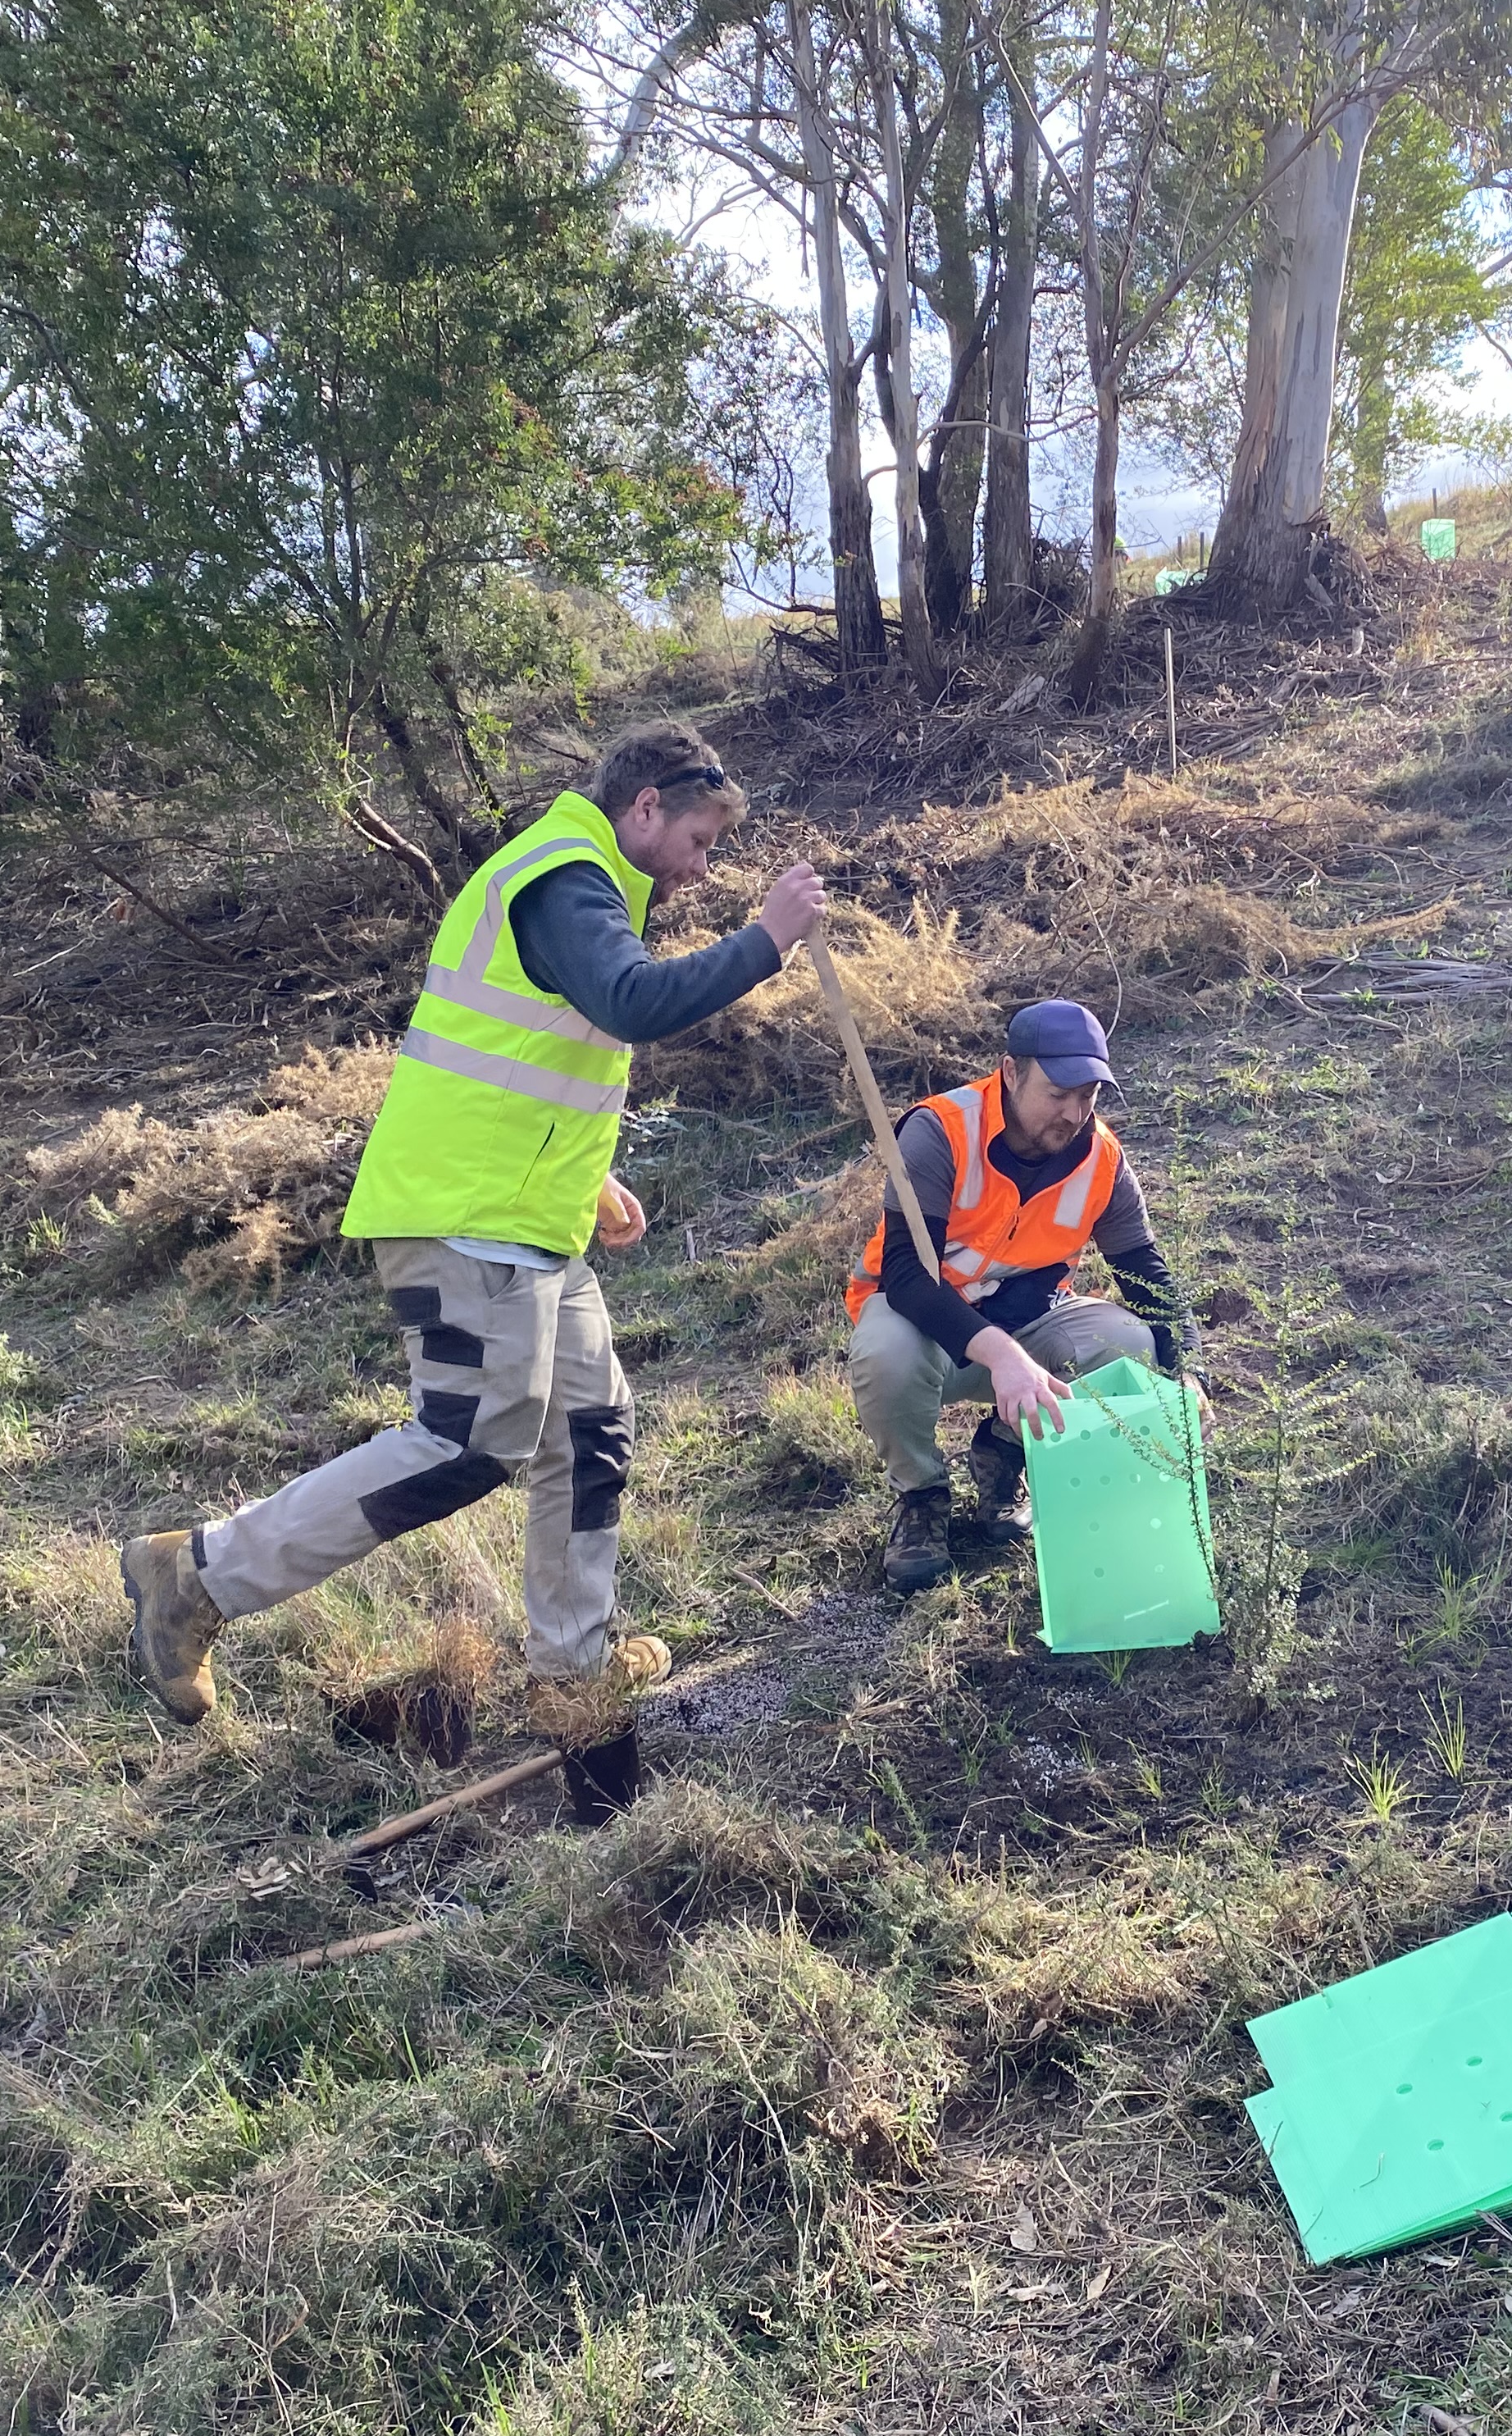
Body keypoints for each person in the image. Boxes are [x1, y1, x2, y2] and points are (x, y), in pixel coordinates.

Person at [117, 718, 826, 1815]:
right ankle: (196, 1577)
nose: (702, 865)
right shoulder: (566, 878)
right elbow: (631, 1003)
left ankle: (570, 1674)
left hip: (524, 1218)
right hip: (461, 1221)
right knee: (470, 1440)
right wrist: (767, 937)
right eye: (695, 836)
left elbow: (532, 1048)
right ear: (645, 807)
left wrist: (584, 1180)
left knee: (590, 1430)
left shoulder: (586, 886)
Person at [845, 1000, 1198, 1592]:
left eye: (1088, 1095)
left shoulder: (1101, 1155)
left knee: (1133, 1345)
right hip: (927, 1324)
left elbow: (1145, 1274)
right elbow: (905, 1275)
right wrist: (1004, 1359)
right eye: (1058, 1093)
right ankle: (922, 1497)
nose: (1074, 1112)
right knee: (886, 1353)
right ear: (1010, 1072)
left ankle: (1004, 1454)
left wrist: (1189, 1373)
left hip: (1030, 1320)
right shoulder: (941, 1132)